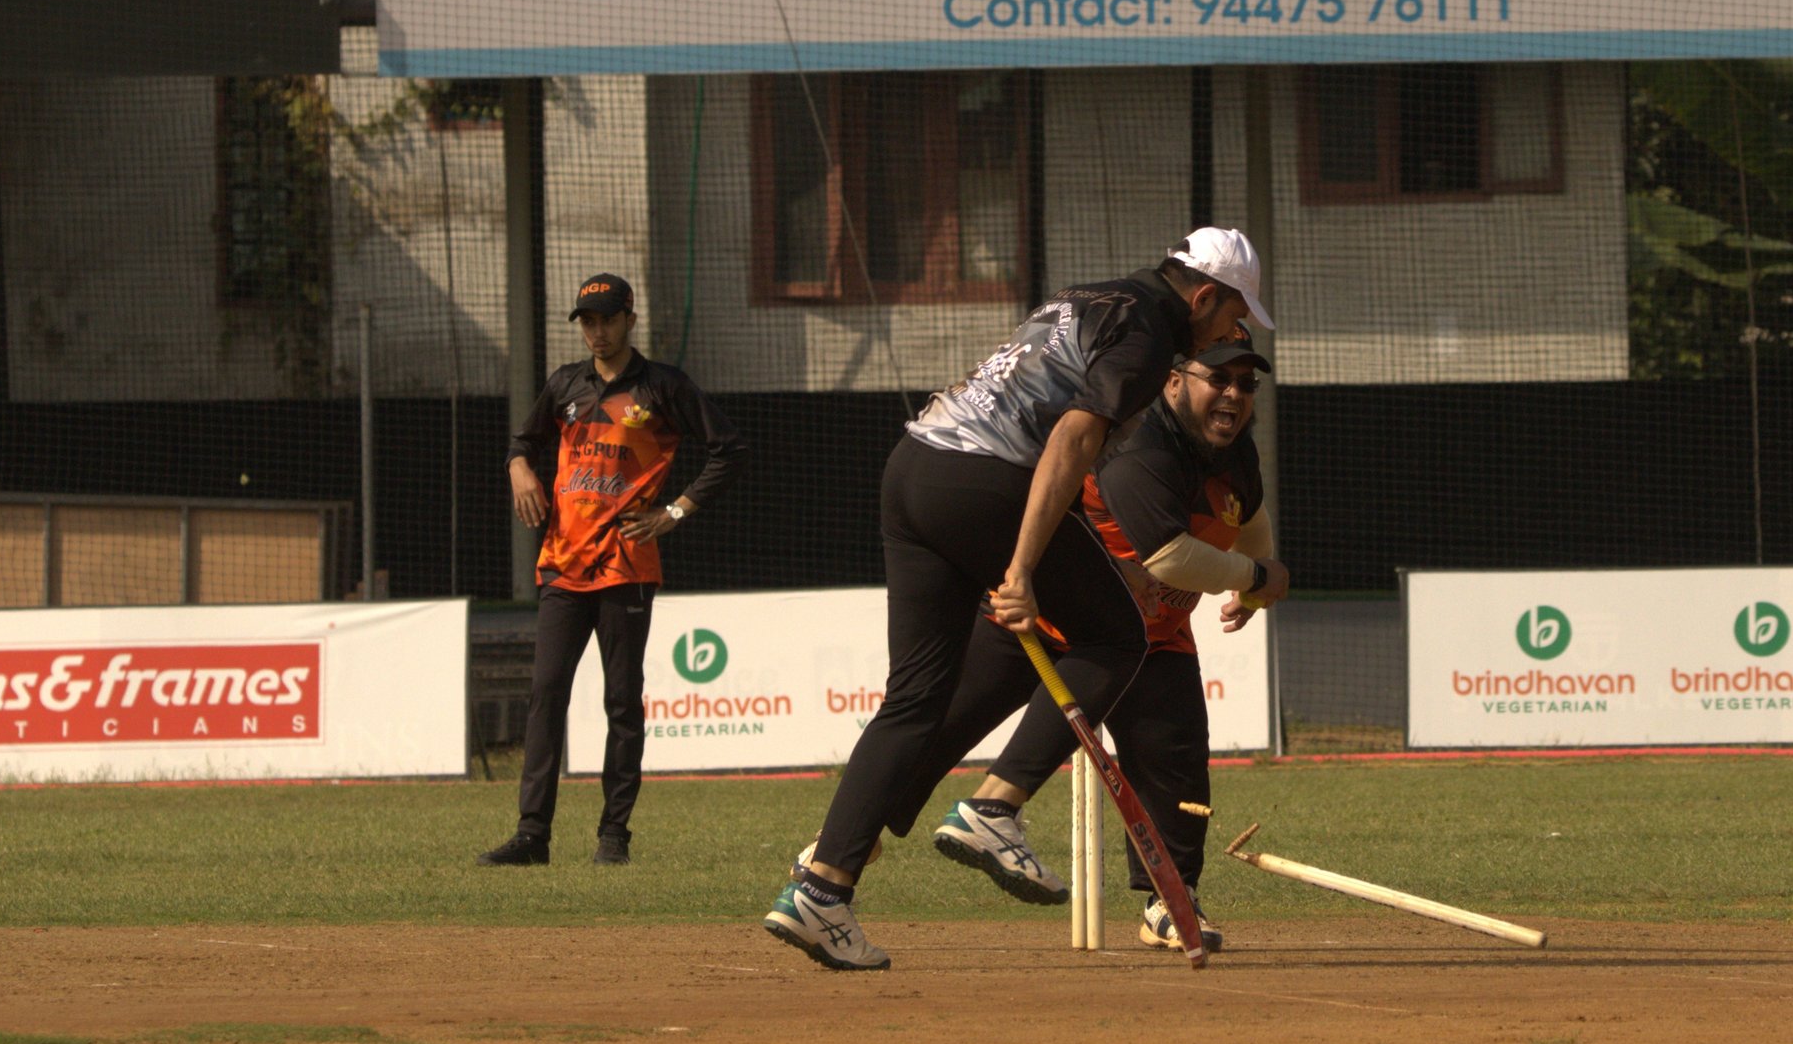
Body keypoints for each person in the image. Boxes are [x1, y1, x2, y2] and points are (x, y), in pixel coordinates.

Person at [764, 228, 1272, 971]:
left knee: (915, 700)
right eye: (1235, 314)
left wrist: (1070, 564)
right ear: (1202, 296)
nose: (1235, 331)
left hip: (914, 468)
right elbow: (1068, 441)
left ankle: (823, 889)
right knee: (1119, 639)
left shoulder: (1090, 296)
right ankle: (994, 810)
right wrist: (1024, 569)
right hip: (983, 480)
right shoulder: (1151, 333)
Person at [929, 328, 1285, 952]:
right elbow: (1170, 557)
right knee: (936, 731)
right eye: (1219, 379)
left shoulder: (1236, 458)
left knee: (1178, 774)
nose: (1233, 394)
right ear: (1175, 381)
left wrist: (1255, 585)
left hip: (1156, 642)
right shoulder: (1142, 447)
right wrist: (1259, 577)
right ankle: (839, 853)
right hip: (1052, 625)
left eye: (1246, 385)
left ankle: (1171, 903)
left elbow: (1249, 520)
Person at [478, 273, 748, 868]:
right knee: (547, 696)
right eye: (587, 322)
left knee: (623, 702)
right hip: (562, 567)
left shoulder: (662, 387)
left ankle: (614, 836)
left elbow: (729, 448)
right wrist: (519, 468)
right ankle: (532, 836)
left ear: (630, 318)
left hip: (626, 565)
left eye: (606, 319)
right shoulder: (565, 385)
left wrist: (676, 510)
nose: (596, 332)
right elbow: (521, 443)